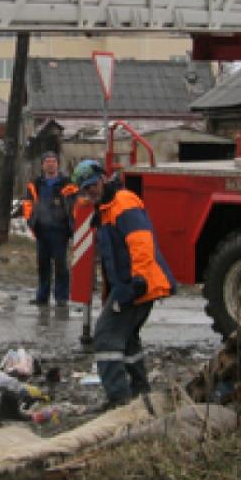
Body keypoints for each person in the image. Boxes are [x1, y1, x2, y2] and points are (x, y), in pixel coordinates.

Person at [71, 159, 176, 409]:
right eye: (85, 189)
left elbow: (140, 241)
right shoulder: (106, 207)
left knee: (105, 336)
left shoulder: (122, 203)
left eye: (92, 185)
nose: (90, 192)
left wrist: (139, 278)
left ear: (103, 179)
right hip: (131, 286)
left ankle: (118, 398)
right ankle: (140, 391)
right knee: (128, 340)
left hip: (136, 286)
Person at [22, 151, 78, 307]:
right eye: (47, 161)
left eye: (53, 161)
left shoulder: (67, 184)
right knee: (43, 265)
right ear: (43, 165)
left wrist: (72, 224)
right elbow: (27, 204)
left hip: (60, 231)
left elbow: (75, 204)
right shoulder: (35, 184)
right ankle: (42, 296)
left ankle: (61, 297)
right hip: (42, 230)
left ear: (58, 164)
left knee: (61, 265)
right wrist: (30, 221)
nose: (51, 164)